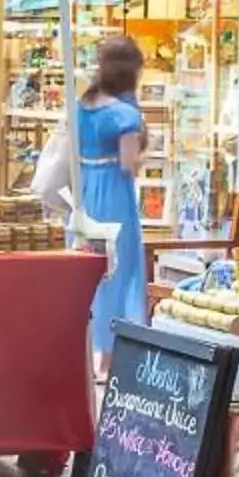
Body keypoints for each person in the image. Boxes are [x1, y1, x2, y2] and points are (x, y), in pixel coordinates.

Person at [76, 34, 149, 358]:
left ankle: (88, 346)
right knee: (119, 270)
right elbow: (128, 164)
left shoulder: (83, 105)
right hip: (115, 197)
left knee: (88, 269)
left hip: (86, 191)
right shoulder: (124, 115)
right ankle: (110, 355)